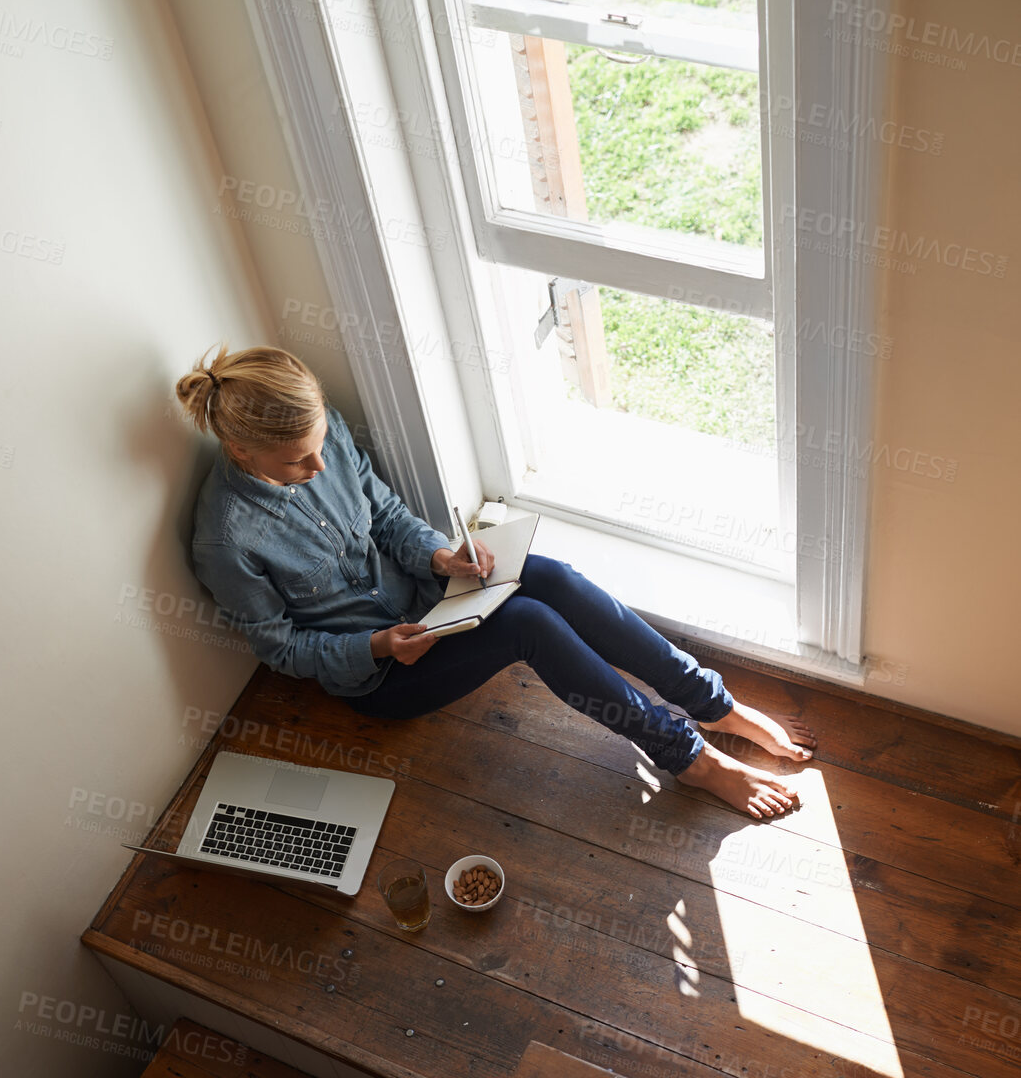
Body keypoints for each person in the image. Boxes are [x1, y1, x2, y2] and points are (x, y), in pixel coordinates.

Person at [176, 345, 814, 820]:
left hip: (431, 600)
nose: (319, 467)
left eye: (320, 447)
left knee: (547, 576)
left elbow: (390, 519)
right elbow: (282, 651)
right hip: (383, 673)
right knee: (528, 623)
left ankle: (712, 703)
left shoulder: (325, 433)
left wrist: (443, 558)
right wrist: (377, 647)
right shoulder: (226, 540)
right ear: (239, 450)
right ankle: (692, 760)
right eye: (297, 462)